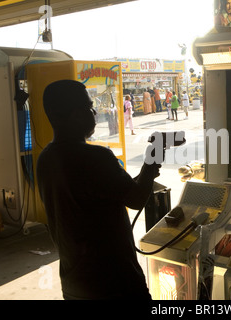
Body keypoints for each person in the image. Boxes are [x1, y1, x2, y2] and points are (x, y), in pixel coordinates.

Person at [36, 80, 162, 300]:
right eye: (89, 107)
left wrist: (144, 175)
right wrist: (150, 163)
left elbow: (101, 193)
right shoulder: (95, 158)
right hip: (114, 283)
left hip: (75, 282)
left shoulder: (46, 159)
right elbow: (135, 199)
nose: (93, 112)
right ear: (76, 114)